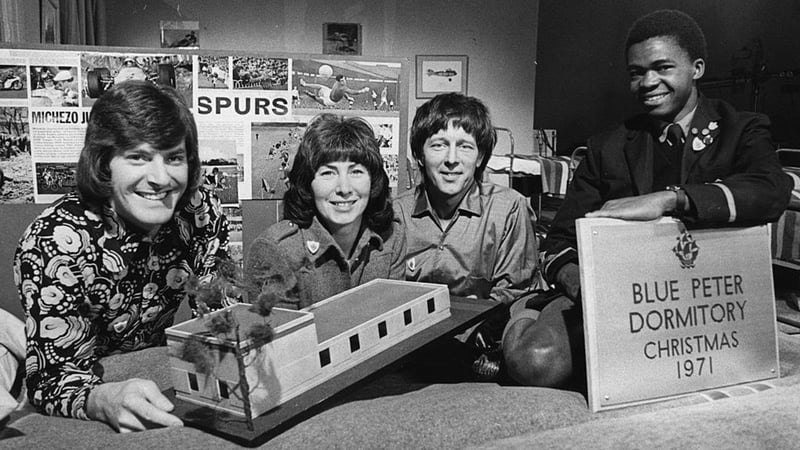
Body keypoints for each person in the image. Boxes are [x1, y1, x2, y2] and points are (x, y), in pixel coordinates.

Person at [503, 9, 793, 389]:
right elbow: (559, 241)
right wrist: (584, 288)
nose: (648, 82)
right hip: (615, 296)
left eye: (662, 67)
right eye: (636, 72)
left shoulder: (741, 130)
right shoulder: (606, 146)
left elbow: (771, 191)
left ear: (697, 68)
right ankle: (519, 312)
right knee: (533, 363)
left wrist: (671, 200)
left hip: (704, 298)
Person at [13, 80, 231, 432]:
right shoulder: (54, 240)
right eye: (138, 157)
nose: (161, 178)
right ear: (104, 163)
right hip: (86, 396)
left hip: (161, 377)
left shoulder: (201, 213)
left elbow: (218, 318)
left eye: (173, 157)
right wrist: (102, 399)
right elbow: (51, 378)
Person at [394, 93, 538, 379]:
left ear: (480, 156)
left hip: (478, 350)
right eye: (438, 145)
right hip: (406, 351)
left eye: (465, 147)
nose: (452, 160)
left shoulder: (509, 207)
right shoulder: (395, 213)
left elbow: (516, 291)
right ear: (419, 154)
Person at [246, 114, 405, 308]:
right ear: (307, 183)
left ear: (373, 180)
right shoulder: (276, 250)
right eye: (328, 173)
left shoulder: (392, 238)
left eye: (356, 172)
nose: (344, 188)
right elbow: (281, 328)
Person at [299, 75, 370, 107]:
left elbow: (343, 93)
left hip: (330, 94)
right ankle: (309, 92)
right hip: (330, 100)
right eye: (342, 80)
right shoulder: (342, 87)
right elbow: (352, 92)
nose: (344, 81)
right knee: (317, 97)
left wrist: (348, 98)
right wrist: (363, 90)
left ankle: (305, 86)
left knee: (320, 88)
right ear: (338, 81)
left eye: (344, 79)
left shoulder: (338, 83)